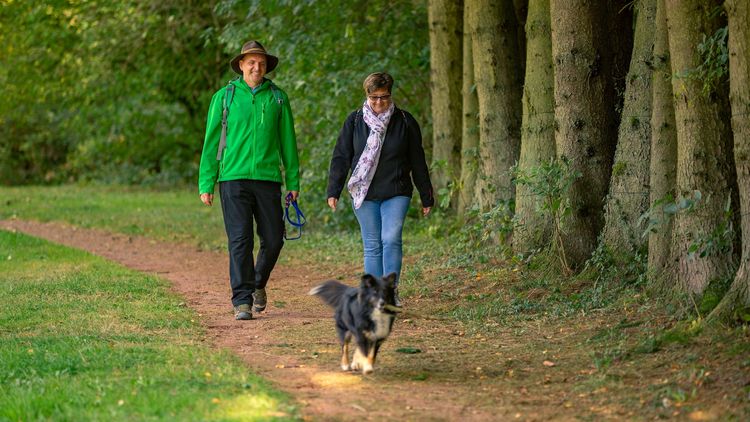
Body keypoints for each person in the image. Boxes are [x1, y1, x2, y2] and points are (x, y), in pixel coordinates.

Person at [199, 40, 300, 320]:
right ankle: (242, 299)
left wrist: (293, 181)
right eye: (251, 62)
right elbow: (211, 142)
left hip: (268, 179)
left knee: (274, 238)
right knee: (240, 240)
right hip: (233, 178)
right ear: (241, 64)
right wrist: (206, 182)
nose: (257, 67)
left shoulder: (278, 97)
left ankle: (258, 283)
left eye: (262, 63)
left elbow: (288, 143)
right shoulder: (224, 97)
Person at [326, 72, 433, 305]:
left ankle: (390, 291)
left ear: (390, 95)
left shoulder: (405, 121)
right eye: (374, 98)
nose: (379, 103)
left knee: (391, 238)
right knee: (372, 244)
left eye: (384, 97)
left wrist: (427, 195)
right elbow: (341, 157)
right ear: (367, 95)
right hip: (364, 192)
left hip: (396, 191)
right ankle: (374, 294)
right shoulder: (354, 121)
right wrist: (333, 191)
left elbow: (417, 160)